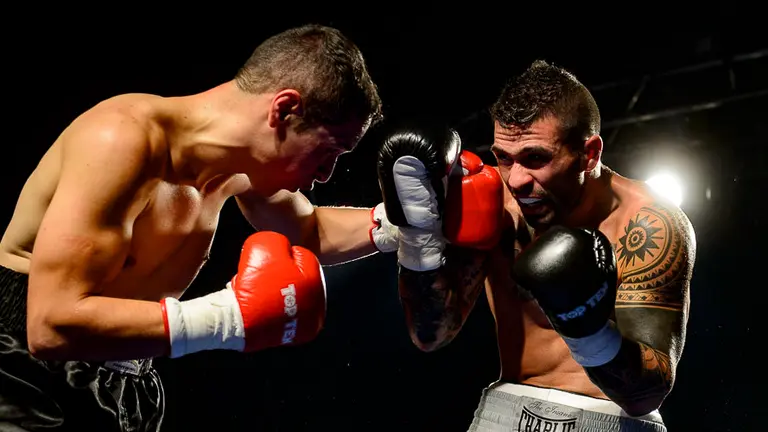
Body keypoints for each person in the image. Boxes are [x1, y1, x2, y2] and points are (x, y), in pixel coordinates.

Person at [0, 24, 400, 432]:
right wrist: (226, 318)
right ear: (283, 110)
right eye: (328, 149)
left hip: (132, 385)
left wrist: (396, 225)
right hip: (25, 374)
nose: (326, 175)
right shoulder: (122, 139)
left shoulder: (241, 169)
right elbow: (49, 324)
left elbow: (310, 230)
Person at [376, 60, 696, 431]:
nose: (516, 179)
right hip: (506, 410)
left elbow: (646, 395)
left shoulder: (647, 223)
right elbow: (431, 334)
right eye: (504, 158)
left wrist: (584, 325)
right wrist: (420, 241)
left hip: (613, 420)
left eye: (536, 158)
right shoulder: (495, 201)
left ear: (589, 153)